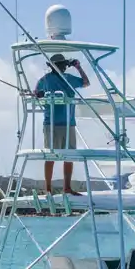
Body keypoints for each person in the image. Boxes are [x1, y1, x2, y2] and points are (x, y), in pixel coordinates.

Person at [34, 53, 89, 195]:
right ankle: (47, 188)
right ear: (53, 66)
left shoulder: (69, 79)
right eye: (60, 64)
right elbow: (36, 93)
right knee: (50, 156)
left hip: (68, 123)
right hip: (51, 123)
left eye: (64, 64)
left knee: (69, 155)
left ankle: (67, 187)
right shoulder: (45, 80)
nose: (63, 67)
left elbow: (86, 83)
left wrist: (78, 67)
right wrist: (38, 94)